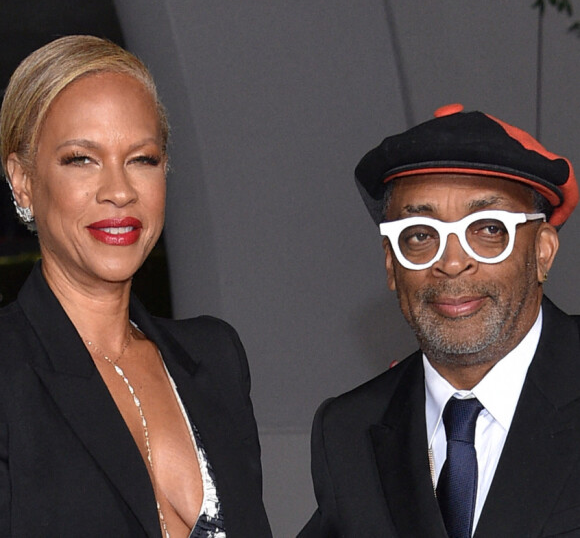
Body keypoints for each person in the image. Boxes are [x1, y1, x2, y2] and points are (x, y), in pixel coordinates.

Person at [0, 35, 272, 538]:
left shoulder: (215, 358)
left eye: (141, 158)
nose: (120, 190)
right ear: (22, 181)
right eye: (82, 158)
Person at [299, 103, 580, 538]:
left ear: (542, 251)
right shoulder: (351, 432)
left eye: (489, 230)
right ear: (391, 265)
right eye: (419, 236)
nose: (451, 263)